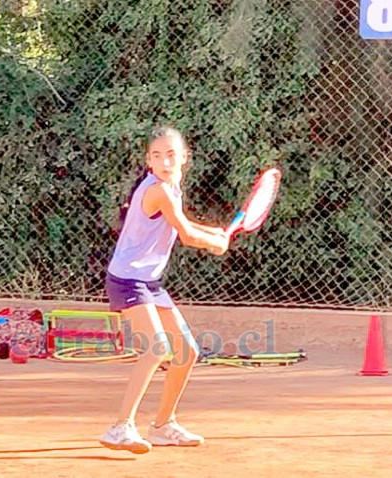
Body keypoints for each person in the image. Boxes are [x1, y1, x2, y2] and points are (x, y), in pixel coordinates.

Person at [99, 126, 231, 453]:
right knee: (156, 349)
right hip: (128, 280)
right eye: (157, 156)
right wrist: (216, 244)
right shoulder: (158, 190)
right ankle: (120, 428)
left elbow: (181, 223)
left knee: (186, 352)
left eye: (172, 154)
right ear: (149, 161)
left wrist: (213, 230)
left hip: (149, 281)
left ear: (185, 158)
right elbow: (185, 235)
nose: (165, 161)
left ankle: (162, 426)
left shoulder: (172, 188)